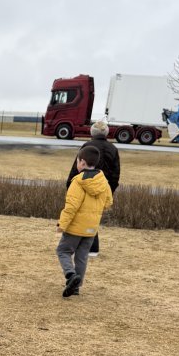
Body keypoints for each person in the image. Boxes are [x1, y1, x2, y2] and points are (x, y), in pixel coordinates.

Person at [56, 143, 112, 298]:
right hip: (91, 229)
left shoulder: (78, 181)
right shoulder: (103, 181)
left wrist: (62, 224)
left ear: (81, 163)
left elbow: (71, 206)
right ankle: (75, 287)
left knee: (63, 251)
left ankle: (70, 276)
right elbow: (108, 203)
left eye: (77, 162)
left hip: (75, 227)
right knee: (82, 256)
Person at [66, 118, 120, 257]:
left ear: (92, 132)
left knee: (80, 217)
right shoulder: (113, 149)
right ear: (106, 133)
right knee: (94, 217)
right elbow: (115, 174)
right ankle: (93, 249)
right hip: (102, 188)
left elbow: (76, 168)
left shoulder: (86, 146)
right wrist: (110, 191)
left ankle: (79, 247)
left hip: (83, 186)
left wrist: (70, 185)